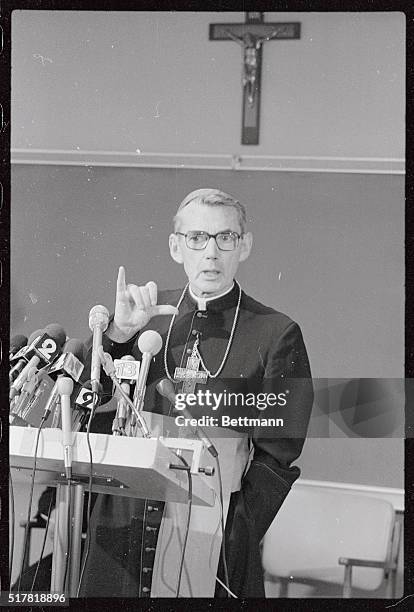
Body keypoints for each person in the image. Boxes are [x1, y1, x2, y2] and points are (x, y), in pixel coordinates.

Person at [76, 188, 314, 598]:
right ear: (176, 246)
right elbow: (89, 404)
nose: (211, 253)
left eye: (226, 238)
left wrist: (237, 526)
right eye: (197, 238)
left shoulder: (276, 333)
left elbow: (280, 453)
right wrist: (117, 337)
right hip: (124, 519)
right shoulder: (140, 314)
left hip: (214, 522)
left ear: (245, 246)